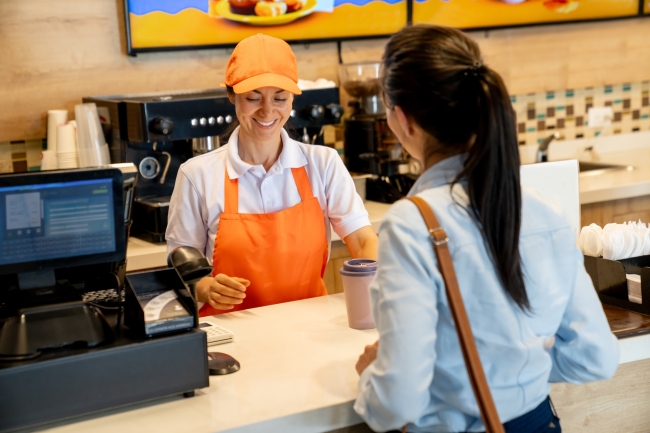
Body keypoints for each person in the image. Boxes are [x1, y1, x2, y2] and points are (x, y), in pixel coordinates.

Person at [353, 25, 619, 433]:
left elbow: (397, 403)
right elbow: (595, 356)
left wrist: (372, 377)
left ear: (403, 121)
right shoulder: (543, 210)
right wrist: (512, 365)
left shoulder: (411, 223)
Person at [166, 34, 377, 316]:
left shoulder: (323, 164)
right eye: (253, 98)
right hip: (232, 335)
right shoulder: (197, 175)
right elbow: (181, 264)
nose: (267, 110)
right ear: (232, 96)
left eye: (280, 98)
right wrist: (205, 287)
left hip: (311, 329)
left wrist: (379, 301)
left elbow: (363, 241)